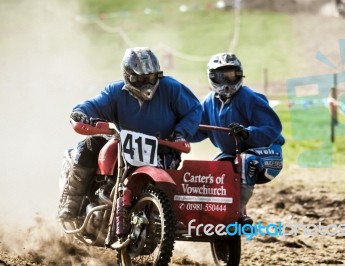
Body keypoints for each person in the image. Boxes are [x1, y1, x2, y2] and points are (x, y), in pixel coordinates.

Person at [58, 47, 202, 220]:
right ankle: (71, 204)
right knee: (88, 145)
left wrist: (181, 133)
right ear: (128, 75)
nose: (147, 83)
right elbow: (93, 105)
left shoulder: (171, 87)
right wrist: (80, 113)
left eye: (151, 77)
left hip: (164, 150)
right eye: (140, 78)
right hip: (124, 147)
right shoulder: (115, 92)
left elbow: (194, 110)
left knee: (171, 188)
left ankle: (163, 215)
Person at [189, 52, 285, 225]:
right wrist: (179, 133)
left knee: (247, 160)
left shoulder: (250, 98)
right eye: (221, 76)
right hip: (236, 157)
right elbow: (198, 130)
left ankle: (237, 213)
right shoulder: (208, 102)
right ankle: (214, 213)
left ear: (240, 74)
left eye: (231, 75)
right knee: (214, 169)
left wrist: (248, 132)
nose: (227, 81)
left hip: (268, 155)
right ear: (212, 77)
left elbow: (272, 128)